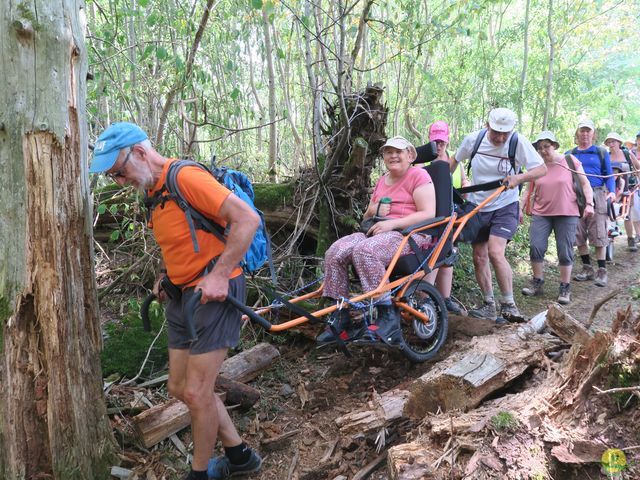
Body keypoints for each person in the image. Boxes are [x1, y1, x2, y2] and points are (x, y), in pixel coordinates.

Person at [89, 123, 262, 480]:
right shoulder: (153, 192)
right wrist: (168, 278)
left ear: (139, 152)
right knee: (179, 388)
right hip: (183, 295)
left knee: (198, 391)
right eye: (112, 177)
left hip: (218, 292)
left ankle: (199, 474)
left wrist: (218, 274)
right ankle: (240, 455)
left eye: (119, 172)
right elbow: (184, 241)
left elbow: (247, 219)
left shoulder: (184, 177)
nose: (120, 182)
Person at [316, 136, 437, 346]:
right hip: (376, 231)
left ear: (410, 155)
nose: (393, 155)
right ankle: (341, 314)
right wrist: (372, 210)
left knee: (364, 250)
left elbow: (428, 213)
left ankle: (386, 314)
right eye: (388, 152)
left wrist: (393, 224)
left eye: (398, 151)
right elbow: (366, 217)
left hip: (410, 234)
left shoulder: (419, 175)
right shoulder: (382, 180)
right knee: (335, 252)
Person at [450, 108, 547, 322]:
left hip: (505, 204)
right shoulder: (473, 141)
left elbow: (541, 170)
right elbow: (453, 161)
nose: (501, 137)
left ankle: (509, 305)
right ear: (487, 126)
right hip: (477, 205)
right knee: (479, 256)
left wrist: (519, 178)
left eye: (505, 133)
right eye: (496, 132)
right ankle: (488, 304)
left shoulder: (517, 142)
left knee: (495, 251)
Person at [520, 131, 594, 304]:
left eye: (546, 146)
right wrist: (520, 208)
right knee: (536, 246)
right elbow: (527, 189)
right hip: (541, 212)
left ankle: (565, 287)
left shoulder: (570, 161)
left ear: (554, 145)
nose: (543, 151)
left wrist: (589, 204)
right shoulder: (536, 166)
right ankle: (537, 282)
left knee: (564, 249)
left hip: (567, 212)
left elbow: (585, 184)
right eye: (540, 148)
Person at [428, 121, 469, 315]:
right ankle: (426, 298)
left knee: (449, 254)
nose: (438, 145)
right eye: (435, 141)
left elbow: (463, 183)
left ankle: (445, 298)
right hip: (431, 215)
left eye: (442, 141)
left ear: (447, 140)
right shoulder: (422, 160)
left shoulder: (454, 160)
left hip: (452, 213)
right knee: (432, 253)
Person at [568, 119, 615, 287]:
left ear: (593, 134)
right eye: (582, 130)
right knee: (578, 231)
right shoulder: (570, 153)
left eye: (588, 131)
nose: (585, 133)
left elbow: (608, 175)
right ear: (577, 133)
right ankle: (587, 267)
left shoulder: (601, 153)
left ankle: (602, 270)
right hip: (575, 195)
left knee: (599, 231)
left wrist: (612, 192)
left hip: (597, 193)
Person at [604, 132, 640, 252]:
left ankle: (630, 239)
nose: (611, 144)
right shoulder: (606, 156)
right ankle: (608, 234)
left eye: (613, 141)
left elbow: (637, 167)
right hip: (610, 188)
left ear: (619, 143)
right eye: (609, 142)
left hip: (627, 188)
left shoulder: (627, 154)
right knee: (607, 209)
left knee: (627, 214)